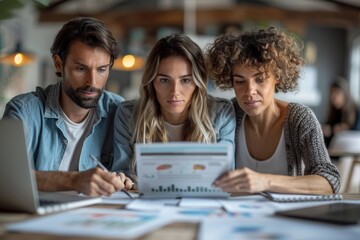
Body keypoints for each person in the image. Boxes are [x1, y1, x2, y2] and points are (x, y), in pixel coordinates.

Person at [2, 17, 133, 196]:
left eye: (101, 69)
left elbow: (126, 173)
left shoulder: (119, 111)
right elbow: (6, 178)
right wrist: (73, 180)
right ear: (58, 64)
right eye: (81, 69)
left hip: (94, 217)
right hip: (35, 218)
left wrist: (122, 179)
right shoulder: (24, 111)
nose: (92, 82)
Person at [207, 27, 341, 194]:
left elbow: (330, 180)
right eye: (240, 82)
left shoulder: (299, 119)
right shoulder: (227, 114)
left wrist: (265, 181)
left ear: (277, 77)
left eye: (260, 79)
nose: (250, 91)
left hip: (286, 217)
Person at [113, 33, 236, 179]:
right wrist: (122, 179)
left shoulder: (221, 113)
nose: (175, 92)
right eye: (164, 80)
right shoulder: (127, 114)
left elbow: (226, 176)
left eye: (185, 80)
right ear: (151, 82)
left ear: (199, 82)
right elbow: (123, 172)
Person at [322, 77, 357, 148]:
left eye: (337, 93)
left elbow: (356, 133)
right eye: (332, 93)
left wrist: (343, 130)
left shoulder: (356, 110)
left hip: (350, 150)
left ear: (345, 94)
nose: (334, 97)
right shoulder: (333, 112)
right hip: (335, 151)